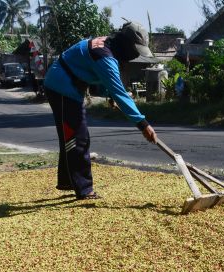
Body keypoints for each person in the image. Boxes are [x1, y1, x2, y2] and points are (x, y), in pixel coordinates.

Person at [44, 21, 158, 200]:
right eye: (135, 50)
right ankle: (84, 189)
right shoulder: (105, 56)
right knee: (77, 137)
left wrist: (110, 95)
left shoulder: (107, 46)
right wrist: (143, 124)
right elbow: (120, 93)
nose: (135, 55)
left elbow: (102, 79)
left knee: (72, 136)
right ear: (126, 44)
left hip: (65, 84)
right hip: (62, 86)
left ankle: (68, 181)